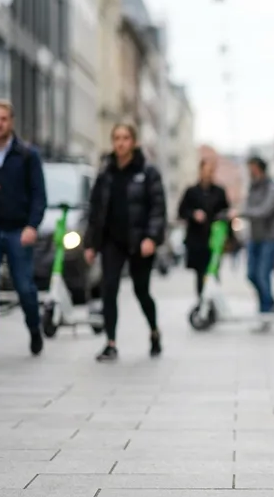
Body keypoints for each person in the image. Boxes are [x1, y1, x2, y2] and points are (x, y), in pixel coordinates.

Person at [83, 124, 167, 362]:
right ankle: (110, 343)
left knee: (142, 291)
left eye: (125, 138)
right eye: (117, 138)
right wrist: (90, 243)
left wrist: (151, 237)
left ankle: (154, 331)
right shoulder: (105, 173)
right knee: (109, 289)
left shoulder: (147, 172)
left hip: (139, 241)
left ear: (134, 142)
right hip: (112, 241)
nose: (121, 143)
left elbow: (158, 208)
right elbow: (95, 210)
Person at [0, 100, 47, 361]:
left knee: (25, 287)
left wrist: (32, 226)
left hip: (18, 230)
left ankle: (34, 328)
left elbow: (39, 195)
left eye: (3, 119)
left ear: (11, 121)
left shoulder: (27, 155)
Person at [230, 156, 274, 324]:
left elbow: (265, 210)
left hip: (270, 238)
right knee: (252, 275)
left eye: (251, 168)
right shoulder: (252, 187)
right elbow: (247, 206)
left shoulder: (272, 188)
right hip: (255, 237)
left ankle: (265, 312)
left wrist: (242, 213)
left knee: (262, 275)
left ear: (259, 168)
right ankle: (271, 304)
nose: (249, 171)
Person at [178, 157, 230, 298]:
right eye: (206, 170)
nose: (208, 174)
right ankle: (202, 301)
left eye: (211, 171)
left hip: (215, 239)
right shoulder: (191, 191)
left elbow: (226, 211)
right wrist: (193, 214)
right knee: (200, 273)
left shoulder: (219, 192)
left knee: (213, 271)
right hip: (197, 239)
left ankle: (213, 300)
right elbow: (181, 211)